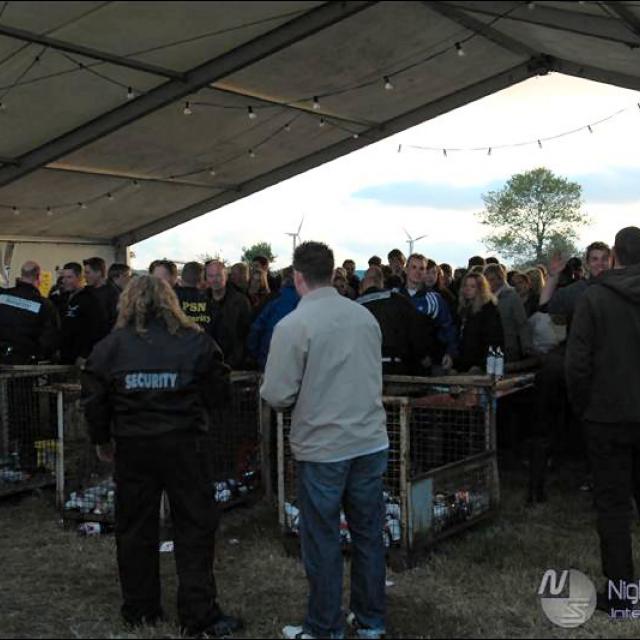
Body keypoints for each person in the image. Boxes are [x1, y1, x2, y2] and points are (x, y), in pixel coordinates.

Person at [82, 276, 241, 636]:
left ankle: (140, 609)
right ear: (171, 301)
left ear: (127, 303)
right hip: (185, 445)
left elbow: (94, 399)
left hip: (134, 446)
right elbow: (220, 393)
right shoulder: (196, 341)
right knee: (194, 526)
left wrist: (102, 439)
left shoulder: (111, 347)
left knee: (135, 527)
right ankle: (198, 613)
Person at [261, 241, 388, 640]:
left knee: (322, 539)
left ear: (297, 277)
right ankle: (370, 620)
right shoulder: (364, 317)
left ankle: (324, 626)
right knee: (368, 534)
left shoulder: (293, 325)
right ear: (333, 273)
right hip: (369, 440)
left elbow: (277, 393)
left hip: (324, 447)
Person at [566, 226, 640, 613]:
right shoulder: (595, 296)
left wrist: (584, 406)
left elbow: (577, 364)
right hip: (609, 412)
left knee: (612, 507)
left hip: (606, 415)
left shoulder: (594, 297)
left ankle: (623, 594)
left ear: (614, 254)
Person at [357, 266, 433, 375]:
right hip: (396, 366)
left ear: (362, 284)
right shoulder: (398, 299)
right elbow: (416, 330)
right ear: (381, 282)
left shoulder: (354, 306)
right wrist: (422, 356)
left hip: (363, 367)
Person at [399, 253, 458, 372]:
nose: (418, 272)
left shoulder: (435, 299)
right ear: (406, 270)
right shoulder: (393, 295)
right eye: (413, 267)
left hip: (428, 364)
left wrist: (450, 353)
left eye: (422, 268)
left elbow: (448, 328)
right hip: (397, 362)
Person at [539, 241, 611, 330]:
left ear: (611, 262)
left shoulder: (619, 288)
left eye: (604, 259)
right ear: (587, 264)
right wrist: (553, 276)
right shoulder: (578, 290)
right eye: (594, 259)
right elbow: (544, 306)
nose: (600, 263)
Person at [0, 261, 59, 363]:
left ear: (21, 274)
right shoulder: (44, 305)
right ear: (38, 277)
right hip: (24, 362)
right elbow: (50, 338)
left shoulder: (3, 296)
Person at [247, 267, 300, 371]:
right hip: (294, 364)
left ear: (283, 280)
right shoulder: (306, 301)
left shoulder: (273, 299)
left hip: (267, 359)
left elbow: (257, 328)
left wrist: (254, 354)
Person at [59, 262, 108, 365]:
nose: (65, 281)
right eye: (63, 277)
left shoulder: (90, 299)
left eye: (69, 277)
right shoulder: (62, 298)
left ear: (79, 278)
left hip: (81, 356)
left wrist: (85, 354)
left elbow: (97, 329)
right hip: (64, 354)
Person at [205, 260, 252, 370]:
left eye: (218, 275)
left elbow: (247, 333)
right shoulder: (201, 300)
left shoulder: (241, 302)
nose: (214, 280)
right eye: (210, 276)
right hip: (206, 362)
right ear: (206, 278)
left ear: (226, 276)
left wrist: (237, 359)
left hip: (233, 364)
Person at [454, 272, 504, 374]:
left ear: (480, 289)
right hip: (464, 363)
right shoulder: (464, 308)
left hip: (479, 365)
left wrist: (481, 365)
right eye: (466, 285)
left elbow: (494, 340)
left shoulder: (489, 310)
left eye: (472, 286)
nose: (468, 289)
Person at [483, 264, 532, 362]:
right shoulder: (486, 298)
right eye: (486, 280)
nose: (488, 283)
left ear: (500, 278)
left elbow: (522, 323)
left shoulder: (512, 296)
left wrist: (527, 348)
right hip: (490, 346)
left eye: (491, 279)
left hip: (509, 346)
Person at [175, 262, 215, 335]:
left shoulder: (171, 297)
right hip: (205, 340)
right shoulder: (212, 298)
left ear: (182, 277)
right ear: (202, 279)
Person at [84, 257, 120, 330]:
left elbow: (115, 318)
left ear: (99, 273)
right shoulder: (85, 291)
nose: (84, 276)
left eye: (87, 272)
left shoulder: (112, 292)